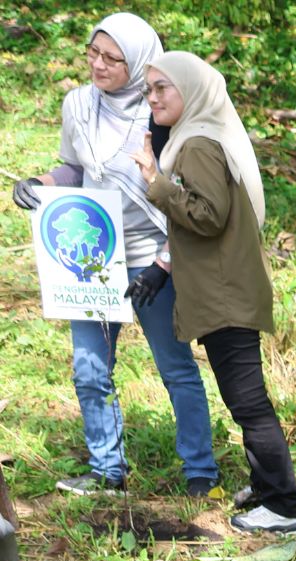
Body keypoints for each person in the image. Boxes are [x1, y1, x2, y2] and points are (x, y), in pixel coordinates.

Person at [12, 13, 218, 498]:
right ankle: (108, 470)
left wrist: (164, 264)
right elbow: (74, 169)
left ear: (140, 61)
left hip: (151, 256)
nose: (98, 65)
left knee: (175, 366)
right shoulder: (79, 104)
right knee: (89, 367)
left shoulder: (159, 111)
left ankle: (200, 472)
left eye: (112, 58)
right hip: (93, 260)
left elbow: (182, 192)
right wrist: (41, 184)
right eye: (92, 53)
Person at [132, 50, 296, 533]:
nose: (153, 97)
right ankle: (267, 488)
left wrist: (155, 180)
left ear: (191, 91)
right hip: (224, 291)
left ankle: (286, 507)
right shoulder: (197, 138)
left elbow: (208, 216)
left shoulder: (199, 145)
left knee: (249, 403)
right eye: (148, 89)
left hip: (226, 294)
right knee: (243, 400)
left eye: (162, 87)